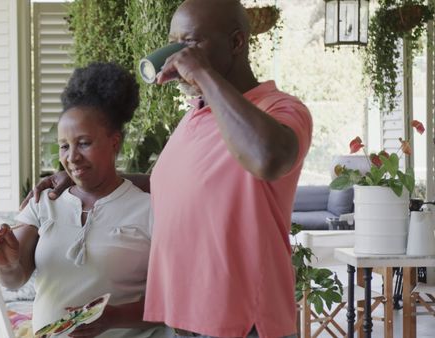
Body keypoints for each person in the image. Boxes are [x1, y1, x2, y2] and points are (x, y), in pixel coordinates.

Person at [25, 0, 312, 337]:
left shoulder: (280, 109)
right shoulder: (196, 116)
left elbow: (268, 158)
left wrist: (202, 74)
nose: (178, 56)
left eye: (190, 43)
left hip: (244, 323)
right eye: (174, 43)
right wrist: (78, 176)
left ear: (236, 42)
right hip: (188, 322)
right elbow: (175, 185)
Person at [0, 62, 168, 338]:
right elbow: (15, 279)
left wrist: (113, 318)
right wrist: (7, 264)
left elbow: (172, 302)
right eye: (64, 146)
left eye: (84, 143)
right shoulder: (43, 202)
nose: (72, 157)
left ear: (114, 142)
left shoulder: (149, 210)